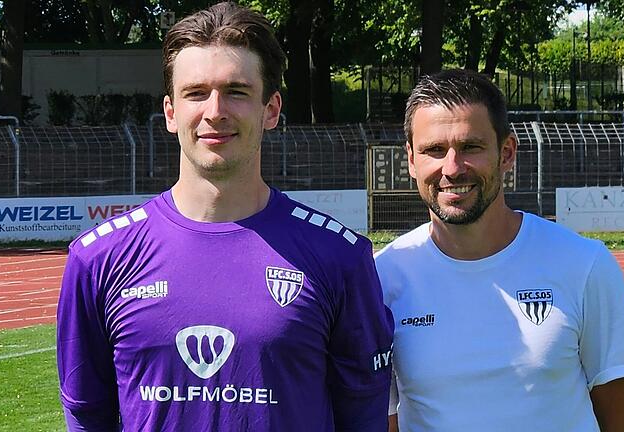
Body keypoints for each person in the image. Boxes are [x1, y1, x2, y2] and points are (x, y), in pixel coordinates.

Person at [56, 3, 394, 431]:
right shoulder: (97, 258)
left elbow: (363, 415)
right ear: (170, 111)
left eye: (236, 91)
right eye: (196, 92)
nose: (215, 111)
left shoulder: (339, 256)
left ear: (271, 110)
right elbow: (87, 416)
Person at [375, 69, 624, 432]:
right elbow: (385, 419)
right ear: (410, 159)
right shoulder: (383, 278)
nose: (452, 168)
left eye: (471, 147)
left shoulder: (583, 265)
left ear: (506, 152)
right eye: (434, 150)